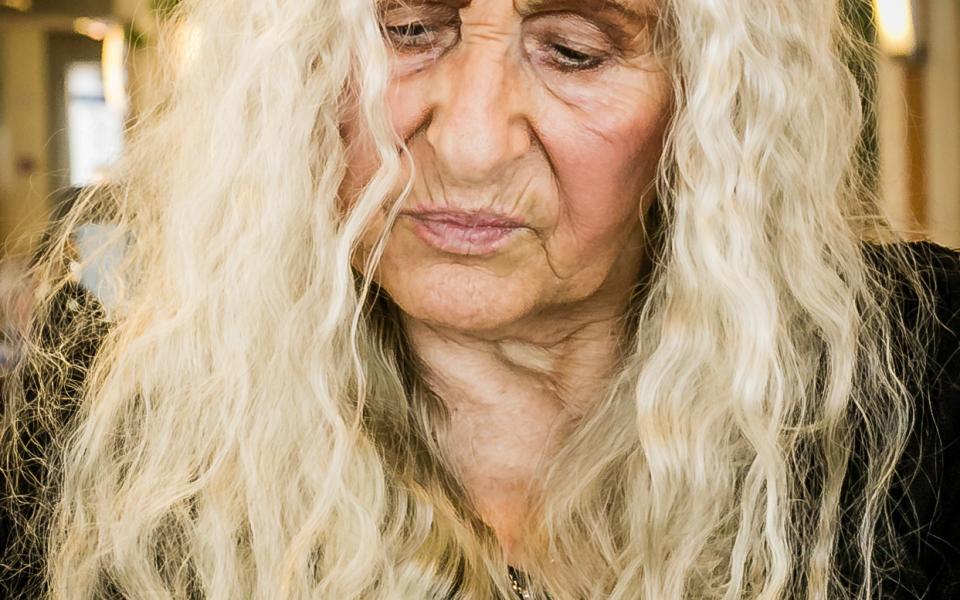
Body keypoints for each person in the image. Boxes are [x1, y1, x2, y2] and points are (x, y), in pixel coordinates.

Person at [2, 0, 958, 598]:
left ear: (709, 103)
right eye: (408, 31)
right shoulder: (111, 423)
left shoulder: (918, 387)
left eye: (575, 51)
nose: (466, 144)